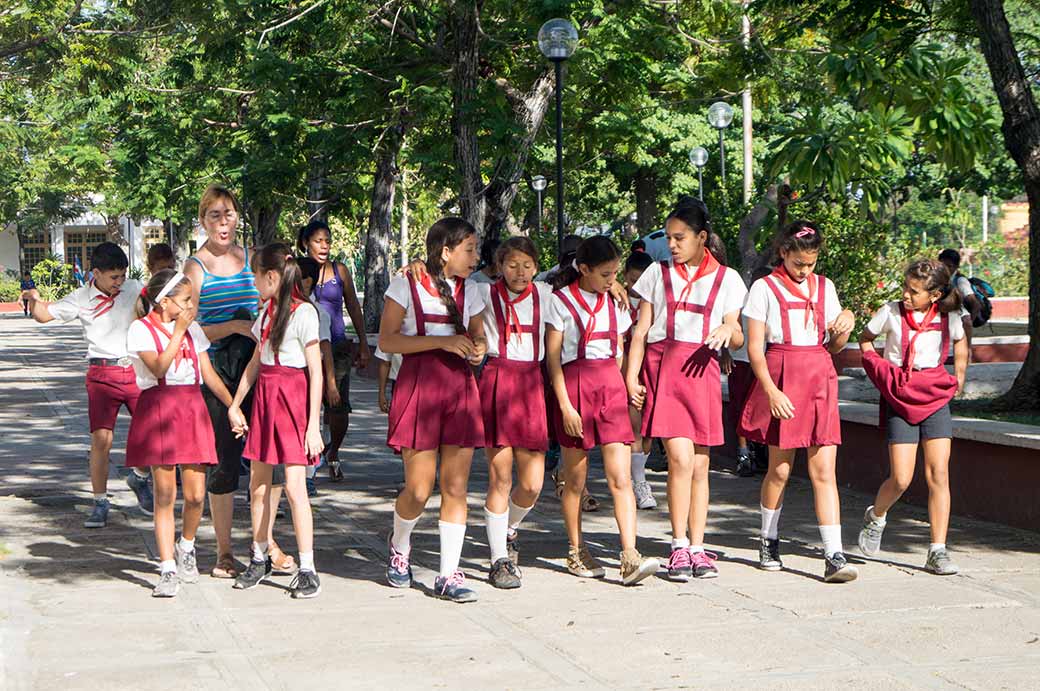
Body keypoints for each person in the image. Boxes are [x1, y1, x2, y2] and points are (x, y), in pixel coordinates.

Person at [626, 198, 748, 581]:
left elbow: (738, 336)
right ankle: (678, 545)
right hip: (665, 370)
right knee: (679, 459)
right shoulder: (657, 273)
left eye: (680, 238)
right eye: (669, 237)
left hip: (703, 372)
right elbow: (641, 331)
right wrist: (631, 377)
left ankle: (698, 547)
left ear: (702, 237)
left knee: (700, 465)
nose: (672, 245)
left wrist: (729, 329)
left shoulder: (728, 279)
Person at [739, 220, 859, 583]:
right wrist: (771, 391)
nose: (805, 270)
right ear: (783, 253)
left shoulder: (825, 287)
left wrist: (845, 325)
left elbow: (834, 346)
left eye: (811, 263)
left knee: (824, 471)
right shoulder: (764, 288)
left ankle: (834, 554)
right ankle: (768, 538)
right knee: (780, 469)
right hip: (782, 376)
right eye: (798, 263)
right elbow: (755, 348)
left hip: (819, 376)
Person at [379, 217, 487, 603]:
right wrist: (441, 343)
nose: (476, 257)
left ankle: (448, 574)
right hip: (419, 386)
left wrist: (479, 348)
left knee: (456, 486)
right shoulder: (405, 284)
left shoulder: (472, 290)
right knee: (419, 489)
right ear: (445, 252)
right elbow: (388, 341)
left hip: (460, 388)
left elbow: (479, 335)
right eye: (469, 250)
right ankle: (400, 544)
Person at [546, 235, 659, 586]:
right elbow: (552, 360)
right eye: (605, 274)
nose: (613, 281)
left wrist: (628, 384)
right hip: (575, 386)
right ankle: (576, 549)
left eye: (615, 274)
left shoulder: (616, 303)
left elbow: (621, 350)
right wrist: (565, 406)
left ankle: (630, 554)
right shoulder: (560, 301)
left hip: (610, 387)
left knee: (620, 477)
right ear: (584, 269)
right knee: (576, 480)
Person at [22, 242, 153, 527]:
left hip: (135, 370)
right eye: (113, 277)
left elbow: (159, 304)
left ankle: (140, 477)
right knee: (101, 441)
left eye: (123, 275)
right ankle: (100, 501)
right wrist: (34, 299)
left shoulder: (134, 288)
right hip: (102, 374)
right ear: (96, 273)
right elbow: (44, 315)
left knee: (151, 432)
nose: (119, 282)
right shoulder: (81, 297)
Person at [124, 269, 232, 597]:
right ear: (164, 302)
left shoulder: (193, 329)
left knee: (196, 495)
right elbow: (158, 367)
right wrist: (179, 332)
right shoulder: (140, 329)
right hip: (160, 408)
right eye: (185, 301)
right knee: (165, 494)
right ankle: (167, 567)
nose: (190, 307)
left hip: (192, 408)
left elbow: (208, 374)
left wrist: (233, 406)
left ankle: (186, 545)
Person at [857, 259, 969, 575]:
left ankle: (937, 550)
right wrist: (879, 368)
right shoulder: (890, 312)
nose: (906, 295)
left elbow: (961, 340)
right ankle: (876, 516)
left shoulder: (949, 317)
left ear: (935, 295)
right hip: (901, 396)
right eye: (905, 287)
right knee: (902, 479)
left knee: (939, 474)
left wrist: (960, 374)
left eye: (914, 291)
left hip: (934, 395)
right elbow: (865, 339)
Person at [227, 244, 324, 599]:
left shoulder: (304, 312)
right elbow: (256, 362)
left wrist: (312, 426)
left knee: (296, 488)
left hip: (292, 400)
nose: (253, 283)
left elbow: (315, 371)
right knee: (258, 484)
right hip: (266, 400)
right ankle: (258, 556)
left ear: (271, 276)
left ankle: (308, 568)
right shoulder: (266, 312)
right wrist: (236, 404)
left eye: (255, 276)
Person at [183, 185, 261, 579]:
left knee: (267, 460)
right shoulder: (195, 267)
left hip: (257, 367)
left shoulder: (251, 258)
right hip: (217, 374)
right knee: (224, 464)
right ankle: (224, 552)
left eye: (228, 213)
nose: (223, 222)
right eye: (214, 215)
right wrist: (232, 326)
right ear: (203, 221)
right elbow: (187, 328)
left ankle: (266, 544)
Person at [476, 237, 552, 589]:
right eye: (511, 265)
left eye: (527, 265)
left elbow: (584, 279)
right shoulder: (482, 294)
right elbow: (447, 286)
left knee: (533, 483)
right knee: (500, 479)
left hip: (531, 385)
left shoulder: (546, 295)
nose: (520, 272)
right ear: (499, 267)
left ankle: (509, 527)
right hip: (498, 380)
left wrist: (617, 288)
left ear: (536, 267)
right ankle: (498, 560)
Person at [297, 221, 371, 482]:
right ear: (305, 243)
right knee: (308, 403)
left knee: (337, 404)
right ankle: (307, 456)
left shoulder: (339, 271)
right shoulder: (296, 270)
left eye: (327, 241)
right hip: (304, 348)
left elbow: (353, 306)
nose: (324, 246)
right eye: (318, 241)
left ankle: (333, 451)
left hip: (337, 346)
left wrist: (363, 343)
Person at [725, 266, 772, 477]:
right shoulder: (741, 302)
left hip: (764, 361)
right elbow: (726, 325)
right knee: (739, 406)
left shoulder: (773, 303)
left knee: (760, 407)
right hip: (740, 360)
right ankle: (743, 452)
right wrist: (724, 353)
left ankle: (759, 449)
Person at [297, 256, 336, 498]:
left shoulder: (317, 312)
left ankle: (309, 474)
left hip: (310, 375)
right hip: (289, 377)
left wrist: (331, 383)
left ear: (308, 281)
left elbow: (325, 349)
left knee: (313, 422)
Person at [621, 250, 656, 510]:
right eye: (633, 280)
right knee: (634, 424)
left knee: (649, 428)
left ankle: (637, 473)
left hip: (651, 365)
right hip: (625, 366)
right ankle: (639, 481)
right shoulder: (618, 300)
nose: (638, 286)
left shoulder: (655, 301)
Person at [938, 249, 979, 345]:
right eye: (942, 265)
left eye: (949, 266)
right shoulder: (936, 279)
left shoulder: (960, 281)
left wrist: (968, 323)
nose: (945, 269)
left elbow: (975, 304)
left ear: (956, 267)